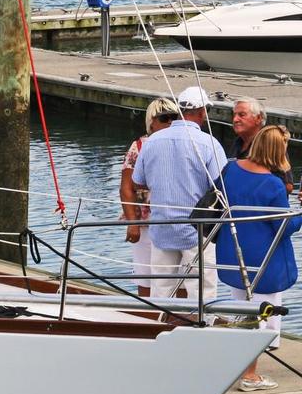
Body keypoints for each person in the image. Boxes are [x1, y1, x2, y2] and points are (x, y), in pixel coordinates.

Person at [215, 125, 302, 390]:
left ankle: (238, 366)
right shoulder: (273, 184)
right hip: (265, 260)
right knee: (261, 316)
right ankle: (250, 376)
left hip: (233, 253)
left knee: (240, 310)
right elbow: (284, 227)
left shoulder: (230, 170)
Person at [131, 86, 227, 301]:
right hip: (197, 229)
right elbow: (221, 186)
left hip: (161, 226)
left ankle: (159, 325)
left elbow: (137, 182)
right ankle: (202, 326)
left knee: (161, 288)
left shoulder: (152, 142)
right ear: (202, 112)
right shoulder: (209, 144)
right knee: (201, 288)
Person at [121, 97, 177, 297]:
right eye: (164, 118)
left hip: (173, 220)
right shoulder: (139, 146)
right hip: (145, 221)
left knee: (179, 278)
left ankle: (179, 317)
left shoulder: (180, 143)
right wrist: (132, 223)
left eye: (174, 117)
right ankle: (148, 316)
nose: (170, 122)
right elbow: (126, 188)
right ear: (151, 121)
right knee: (145, 276)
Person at [228, 97, 294, 192]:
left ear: (258, 118)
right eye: (234, 115)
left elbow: (288, 186)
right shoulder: (237, 143)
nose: (235, 119)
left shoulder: (270, 144)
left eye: (241, 115)